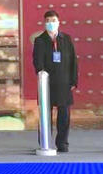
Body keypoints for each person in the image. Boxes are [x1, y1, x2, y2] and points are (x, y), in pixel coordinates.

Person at [33, 10, 78, 153]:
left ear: (58, 22)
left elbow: (73, 61)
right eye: (48, 21)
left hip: (64, 82)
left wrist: (74, 80)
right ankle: (45, 141)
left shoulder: (66, 39)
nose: (50, 23)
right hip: (46, 84)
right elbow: (37, 61)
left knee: (64, 115)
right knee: (45, 114)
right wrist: (41, 74)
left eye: (53, 20)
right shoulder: (40, 40)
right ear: (44, 23)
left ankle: (62, 143)